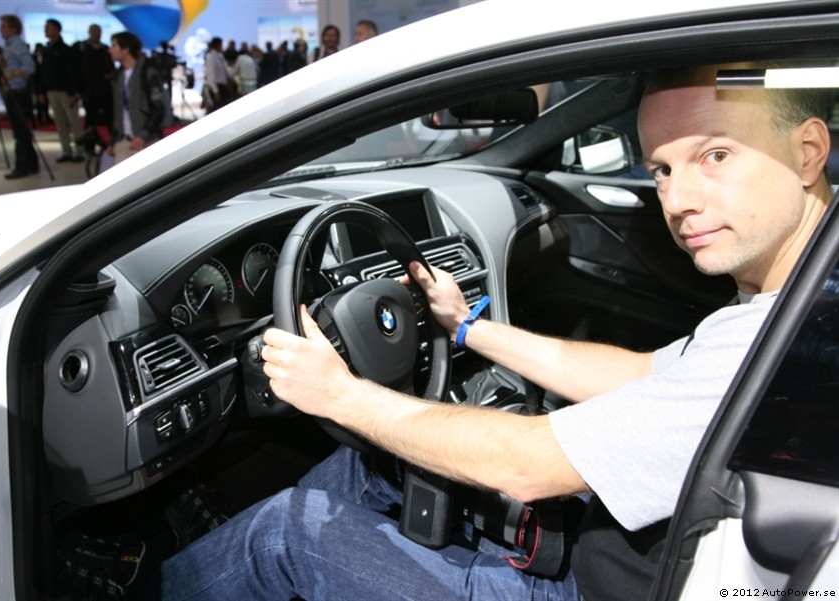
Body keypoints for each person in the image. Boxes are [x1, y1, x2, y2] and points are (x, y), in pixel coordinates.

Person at [159, 62, 833, 601]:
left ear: (808, 152)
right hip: (617, 555)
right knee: (372, 463)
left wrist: (339, 394)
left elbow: (526, 465)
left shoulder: (796, 345)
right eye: (661, 169)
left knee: (282, 536)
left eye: (715, 155)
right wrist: (468, 327)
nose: (679, 201)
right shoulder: (793, 300)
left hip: (583, 589)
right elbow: (636, 374)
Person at [107, 31, 165, 166]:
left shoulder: (147, 73)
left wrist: (143, 135)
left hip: (145, 142)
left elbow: (158, 108)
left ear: (126, 49)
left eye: (114, 46)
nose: (110, 50)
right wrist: (113, 141)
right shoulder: (118, 76)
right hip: (123, 142)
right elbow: (118, 110)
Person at [0, 14, 38, 179]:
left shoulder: (17, 45)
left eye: (4, 26)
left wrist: (12, 74)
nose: (0, 30)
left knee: (20, 132)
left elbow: (30, 67)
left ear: (13, 29)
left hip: (19, 93)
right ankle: (31, 163)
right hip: (13, 92)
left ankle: (22, 165)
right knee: (21, 131)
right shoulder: (8, 46)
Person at [43, 19, 84, 163]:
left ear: (57, 30)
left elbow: (73, 72)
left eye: (48, 28)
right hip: (52, 90)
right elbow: (45, 71)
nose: (46, 30)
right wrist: (43, 90)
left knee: (74, 122)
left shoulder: (66, 50)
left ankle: (80, 151)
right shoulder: (47, 50)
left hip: (65, 91)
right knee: (60, 123)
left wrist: (72, 93)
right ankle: (66, 151)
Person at [78, 24, 116, 130]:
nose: (96, 34)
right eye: (94, 31)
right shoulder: (82, 48)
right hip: (89, 90)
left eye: (98, 31)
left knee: (110, 117)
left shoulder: (106, 49)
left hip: (104, 89)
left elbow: (111, 67)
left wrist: (111, 75)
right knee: (91, 118)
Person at [203, 36, 233, 113]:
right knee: (216, 111)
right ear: (218, 45)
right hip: (217, 88)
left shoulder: (219, 56)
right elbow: (210, 76)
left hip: (222, 87)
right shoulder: (211, 57)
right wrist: (216, 91)